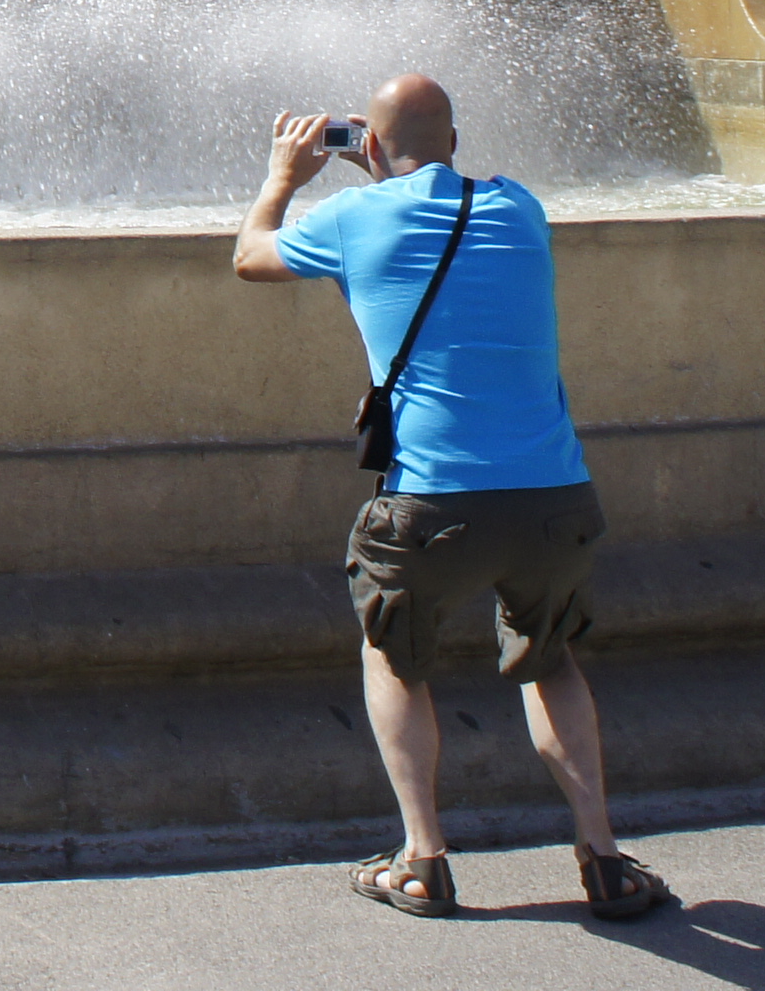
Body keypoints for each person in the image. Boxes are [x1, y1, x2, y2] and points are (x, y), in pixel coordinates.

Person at [235, 74, 676, 925]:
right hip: (554, 496)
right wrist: (391, 168)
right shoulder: (521, 208)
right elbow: (441, 208)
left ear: (367, 147)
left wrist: (284, 178)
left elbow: (250, 257)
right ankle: (604, 857)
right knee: (550, 659)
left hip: (431, 505)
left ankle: (423, 859)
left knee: (393, 655)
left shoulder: (352, 218)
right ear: (457, 143)